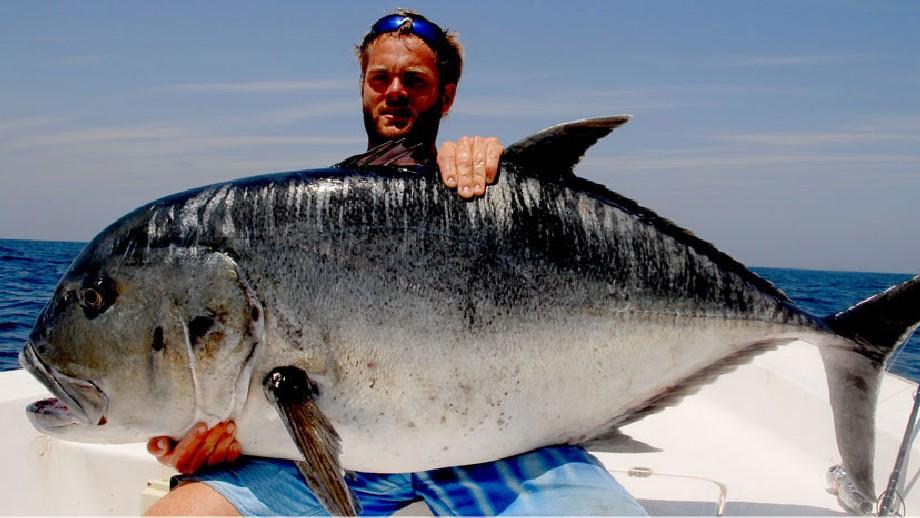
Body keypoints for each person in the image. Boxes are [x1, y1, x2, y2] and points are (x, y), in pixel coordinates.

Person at [145, 10, 646, 516]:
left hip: (497, 449)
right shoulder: (310, 211)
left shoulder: (479, 189)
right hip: (331, 458)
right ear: (363, 88)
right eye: (380, 78)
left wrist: (505, 174)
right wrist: (202, 432)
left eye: (415, 80)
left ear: (446, 97)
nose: (395, 92)